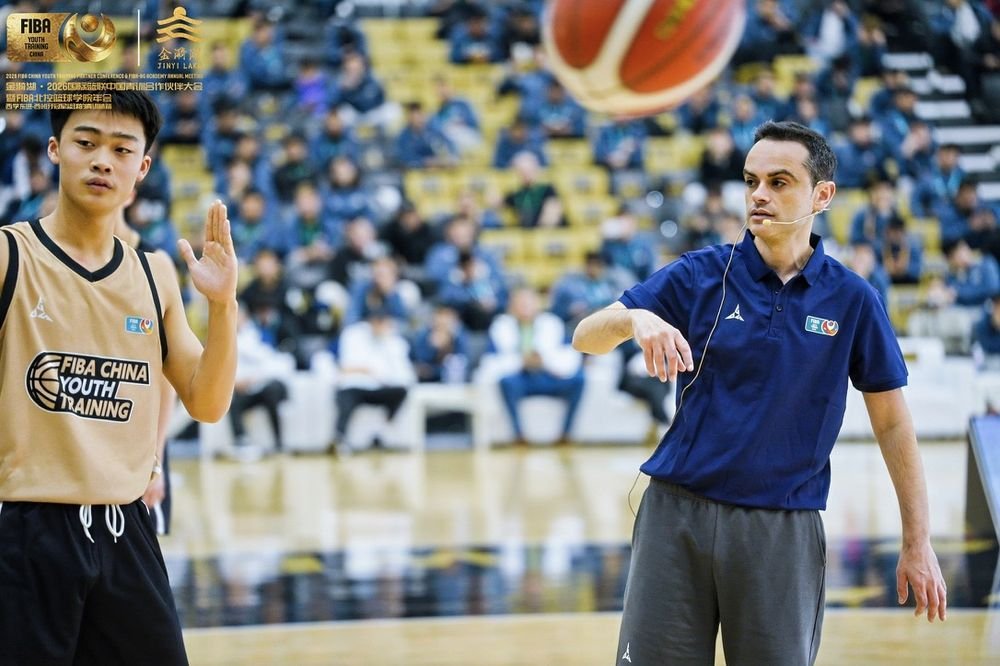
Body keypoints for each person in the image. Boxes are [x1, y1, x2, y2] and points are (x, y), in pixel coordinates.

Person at [572, 121, 946, 664]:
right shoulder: (701, 274)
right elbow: (586, 336)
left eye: (778, 181)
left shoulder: (852, 299)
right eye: (751, 182)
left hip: (782, 528)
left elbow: (892, 423)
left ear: (822, 195)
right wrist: (634, 319)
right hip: (676, 517)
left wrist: (918, 539)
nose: (759, 196)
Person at [0, 88, 238, 663]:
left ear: (143, 167)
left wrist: (224, 305)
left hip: (127, 532)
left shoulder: (155, 275)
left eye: (121, 148)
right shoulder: (9, 256)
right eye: (86, 142)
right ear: (56, 150)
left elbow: (207, 403)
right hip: (26, 532)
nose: (103, 159)